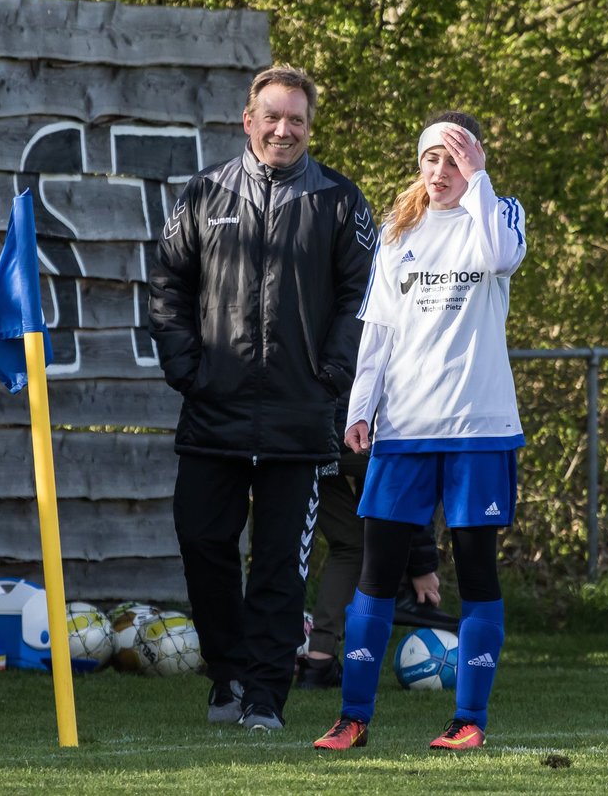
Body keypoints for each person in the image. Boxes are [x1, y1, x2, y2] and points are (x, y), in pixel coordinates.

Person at [148, 65, 376, 733]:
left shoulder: (338, 199)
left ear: (310, 127)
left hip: (299, 420)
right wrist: (188, 369)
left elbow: (364, 297)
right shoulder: (205, 191)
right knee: (203, 541)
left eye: (296, 120)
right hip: (212, 411)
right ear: (248, 120)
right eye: (272, 117)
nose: (284, 129)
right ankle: (227, 675)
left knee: (280, 562)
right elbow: (167, 285)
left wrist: (333, 375)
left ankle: (266, 699)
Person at [312, 112, 526, 752]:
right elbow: (376, 334)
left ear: (475, 165)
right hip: (403, 432)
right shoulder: (396, 231)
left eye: (454, 161)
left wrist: (481, 178)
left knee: (478, 574)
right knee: (375, 575)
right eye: (432, 158)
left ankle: (469, 721)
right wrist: (359, 408)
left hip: (478, 433)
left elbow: (501, 256)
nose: (440, 173)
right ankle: (353, 717)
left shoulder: (498, 214)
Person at [298, 432, 459, 691]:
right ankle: (400, 591)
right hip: (342, 438)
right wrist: (421, 568)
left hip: (301, 442)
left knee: (351, 545)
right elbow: (410, 486)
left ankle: (319, 664)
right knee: (420, 467)